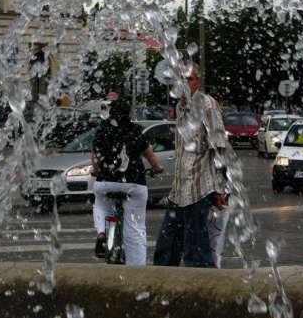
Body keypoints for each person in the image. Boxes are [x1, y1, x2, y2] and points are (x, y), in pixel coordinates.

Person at [153, 63, 227, 268]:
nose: (185, 84)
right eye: (181, 79)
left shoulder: (207, 105)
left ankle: (201, 292)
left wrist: (220, 189)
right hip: (178, 191)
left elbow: (220, 148)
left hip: (198, 189)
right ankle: (163, 291)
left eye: (190, 79)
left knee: (196, 252)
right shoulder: (179, 107)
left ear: (198, 82)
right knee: (165, 249)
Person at [90, 99, 164, 265]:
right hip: (134, 183)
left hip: (106, 181)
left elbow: (95, 155)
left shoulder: (103, 132)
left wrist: (96, 170)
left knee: (101, 205)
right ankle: (136, 271)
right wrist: (157, 167)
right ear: (129, 114)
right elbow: (149, 154)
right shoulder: (135, 132)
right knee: (135, 228)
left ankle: (101, 232)